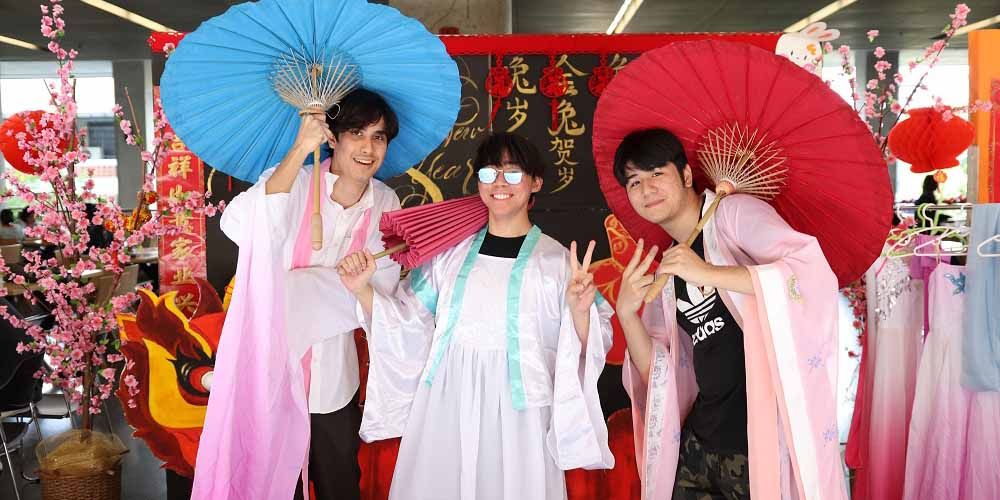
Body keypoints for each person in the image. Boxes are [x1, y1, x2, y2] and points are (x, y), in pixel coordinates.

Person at [337, 132, 614, 500]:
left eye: (513, 173)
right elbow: (405, 322)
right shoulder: (448, 256)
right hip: (447, 403)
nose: (499, 183)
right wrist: (362, 289)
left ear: (535, 182)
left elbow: (593, 342)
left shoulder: (557, 263)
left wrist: (580, 314)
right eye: (489, 173)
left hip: (520, 414)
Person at [613, 129, 847, 500]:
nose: (647, 189)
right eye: (634, 181)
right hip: (700, 446)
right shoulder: (671, 265)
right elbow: (657, 369)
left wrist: (708, 273)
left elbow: (807, 271)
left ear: (686, 175)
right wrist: (627, 314)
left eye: (657, 173)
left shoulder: (734, 214)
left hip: (757, 443)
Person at [191, 88, 402, 500]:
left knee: (340, 483)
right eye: (356, 133)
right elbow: (241, 226)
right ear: (333, 137)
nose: (367, 148)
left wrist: (305, 286)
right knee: (270, 484)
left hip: (334, 380)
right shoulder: (295, 181)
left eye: (378, 137)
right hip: (269, 369)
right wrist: (300, 149)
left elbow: (382, 287)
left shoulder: (386, 202)